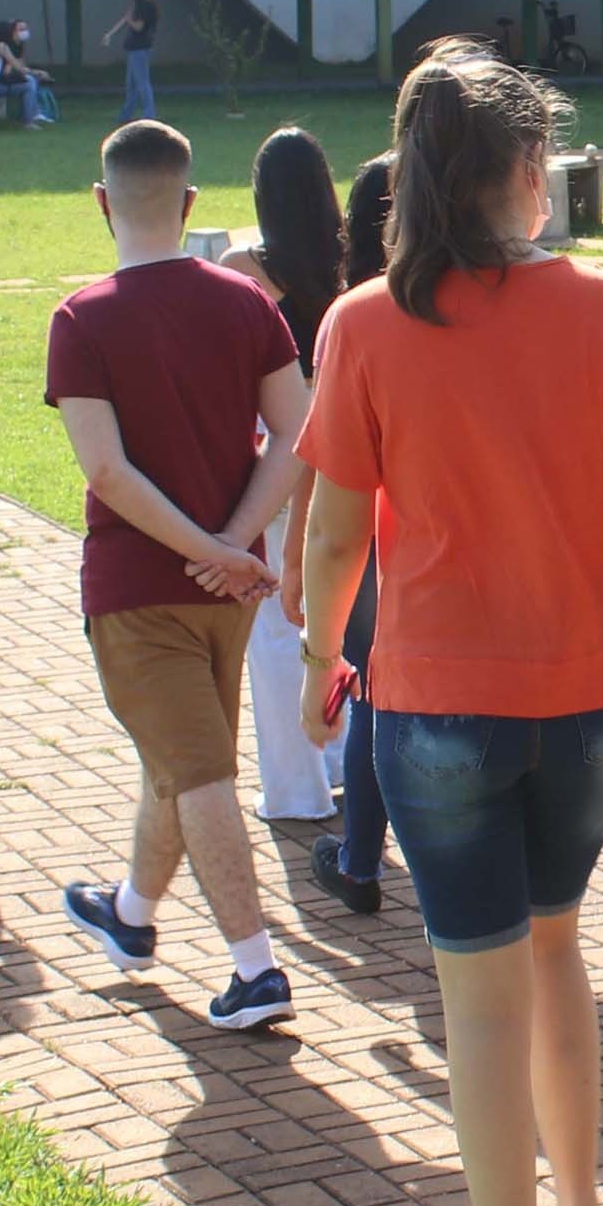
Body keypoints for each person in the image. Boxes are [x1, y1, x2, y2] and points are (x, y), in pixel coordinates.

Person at [293, 41, 603, 1206]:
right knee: (557, 954)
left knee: (477, 1001)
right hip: (586, 699)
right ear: (526, 172)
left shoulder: (361, 323)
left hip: (437, 708)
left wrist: (311, 669)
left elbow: (335, 538)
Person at [51, 119, 311, 1033]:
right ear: (191, 202)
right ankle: (130, 914)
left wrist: (211, 547)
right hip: (228, 591)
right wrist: (234, 542)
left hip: (139, 590)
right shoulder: (248, 303)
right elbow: (297, 433)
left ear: (101, 202)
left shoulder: (81, 317)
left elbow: (108, 474)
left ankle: (256, 971)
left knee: (197, 771)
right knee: (181, 757)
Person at [220, 127, 345, 826]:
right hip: (347, 457)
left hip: (279, 452)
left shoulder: (245, 262)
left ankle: (297, 791)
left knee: (275, 631)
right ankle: (333, 758)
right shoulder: (353, 257)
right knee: (339, 617)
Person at [311, 152, 395, 915]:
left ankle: (362, 859)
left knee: (371, 688)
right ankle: (364, 855)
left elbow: (323, 470)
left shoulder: (356, 314)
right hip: (400, 534)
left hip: (369, 535)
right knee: (377, 689)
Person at [102, 0, 160, 122]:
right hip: (136, 48)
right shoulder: (140, 3)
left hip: (140, 47)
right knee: (132, 85)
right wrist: (110, 34)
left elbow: (138, 26)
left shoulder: (145, 5)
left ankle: (149, 114)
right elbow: (125, 18)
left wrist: (129, 21)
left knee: (142, 82)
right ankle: (125, 115)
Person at [0, 19, 56, 127]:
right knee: (28, 85)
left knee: (28, 81)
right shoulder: (1, 47)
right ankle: (28, 121)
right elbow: (18, 67)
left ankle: (32, 114)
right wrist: (37, 73)